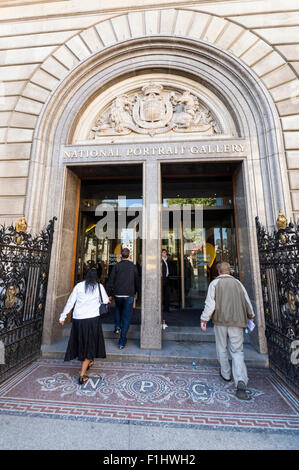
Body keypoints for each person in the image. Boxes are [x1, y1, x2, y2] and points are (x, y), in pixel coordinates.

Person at [200, 261, 255, 400]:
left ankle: (226, 374)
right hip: (237, 321)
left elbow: (210, 304)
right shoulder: (238, 283)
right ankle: (241, 380)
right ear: (229, 271)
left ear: (218, 272)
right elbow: (247, 301)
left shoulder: (215, 284)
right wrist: (251, 315)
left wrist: (204, 319)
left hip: (220, 321)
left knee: (221, 347)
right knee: (237, 350)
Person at [59, 267, 109, 385]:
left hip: (78, 320)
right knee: (90, 344)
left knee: (82, 342)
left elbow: (70, 302)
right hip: (92, 320)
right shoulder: (99, 287)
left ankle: (89, 361)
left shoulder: (79, 286)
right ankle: (82, 375)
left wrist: (63, 317)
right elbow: (105, 301)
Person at [107, 247, 140, 350]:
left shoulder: (116, 266)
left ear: (121, 256)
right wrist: (137, 293)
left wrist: (109, 294)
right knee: (126, 318)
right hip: (129, 294)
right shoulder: (133, 267)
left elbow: (110, 280)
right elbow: (137, 281)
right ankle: (121, 342)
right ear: (129, 256)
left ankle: (117, 326)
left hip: (118, 294)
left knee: (118, 309)